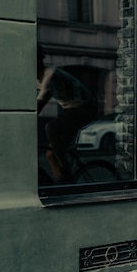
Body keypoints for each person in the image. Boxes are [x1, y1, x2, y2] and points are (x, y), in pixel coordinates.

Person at [37, 46, 96, 183]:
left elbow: (38, 105)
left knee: (51, 128)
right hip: (70, 110)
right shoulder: (37, 79)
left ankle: (66, 171)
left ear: (38, 61)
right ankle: (64, 184)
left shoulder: (50, 74)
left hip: (86, 108)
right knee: (51, 154)